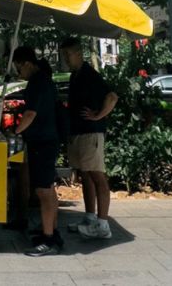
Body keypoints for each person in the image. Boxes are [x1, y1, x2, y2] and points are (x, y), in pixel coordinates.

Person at [61, 37, 116, 240]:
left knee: (96, 175)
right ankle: (91, 217)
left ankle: (103, 224)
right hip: (78, 131)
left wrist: (99, 115)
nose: (66, 58)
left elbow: (112, 97)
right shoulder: (75, 75)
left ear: (79, 53)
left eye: (69, 54)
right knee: (86, 176)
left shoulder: (90, 74)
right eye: (64, 55)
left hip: (91, 132)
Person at [11, 46, 62, 256]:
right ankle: (51, 232)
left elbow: (30, 114)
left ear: (27, 64)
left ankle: (49, 240)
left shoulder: (38, 82)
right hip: (46, 139)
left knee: (43, 191)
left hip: (43, 141)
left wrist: (15, 131)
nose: (17, 73)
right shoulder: (41, 80)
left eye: (18, 68)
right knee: (47, 189)